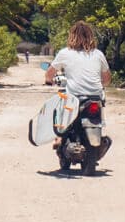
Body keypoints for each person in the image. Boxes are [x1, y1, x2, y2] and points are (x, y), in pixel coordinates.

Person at [44, 20, 113, 164]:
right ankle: (98, 139)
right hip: (95, 96)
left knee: (60, 108)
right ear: (91, 36)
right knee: (99, 117)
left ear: (72, 36)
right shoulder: (99, 54)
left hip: (74, 98)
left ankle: (60, 137)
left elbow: (49, 73)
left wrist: (49, 80)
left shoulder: (65, 53)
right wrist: (100, 85)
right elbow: (107, 79)